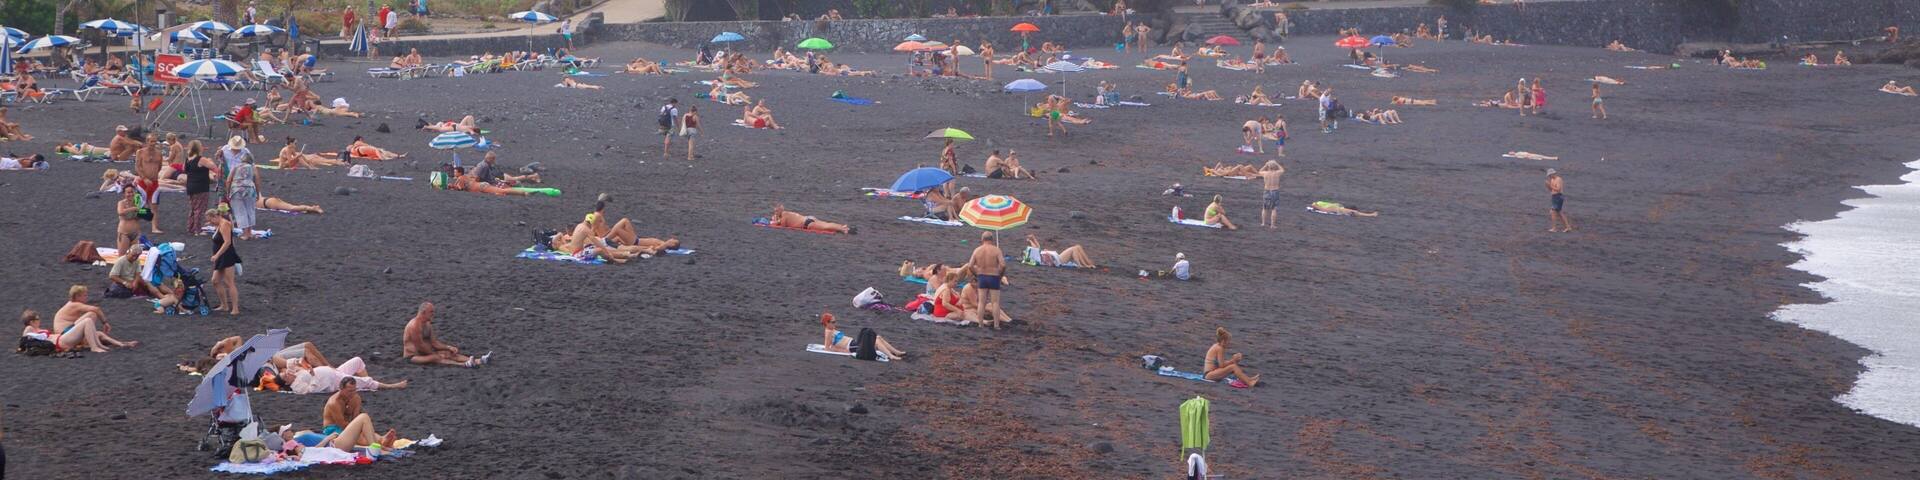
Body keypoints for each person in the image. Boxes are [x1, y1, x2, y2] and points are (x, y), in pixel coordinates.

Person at [321, 379, 401, 452]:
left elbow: (355, 418)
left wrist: (362, 430)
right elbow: (342, 425)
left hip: (348, 425)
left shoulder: (356, 398)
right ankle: (379, 445)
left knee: (365, 430)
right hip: (333, 429)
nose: (352, 393)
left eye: (354, 390)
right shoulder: (334, 403)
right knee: (361, 431)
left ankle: (381, 440)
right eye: (349, 391)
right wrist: (360, 430)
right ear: (341, 389)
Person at [403, 301, 487, 366]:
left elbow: (434, 342)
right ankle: (463, 364)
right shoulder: (414, 326)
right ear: (423, 312)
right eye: (431, 312)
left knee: (448, 352)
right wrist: (435, 353)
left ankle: (478, 360)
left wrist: (448, 347)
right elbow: (420, 347)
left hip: (424, 353)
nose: (433, 314)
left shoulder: (427, 324)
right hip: (413, 357)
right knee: (436, 357)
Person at [960, 231, 1012, 329]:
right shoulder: (996, 250)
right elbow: (1003, 265)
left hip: (982, 277)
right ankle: (996, 325)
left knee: (981, 302)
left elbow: (970, 265)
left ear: (982, 239)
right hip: (993, 276)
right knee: (995, 302)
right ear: (992, 240)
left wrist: (976, 274)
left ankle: (980, 324)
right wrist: (1000, 274)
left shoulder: (977, 250)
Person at [227, 151, 261, 239]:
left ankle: (245, 233)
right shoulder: (253, 167)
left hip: (236, 189)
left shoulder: (235, 166)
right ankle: (249, 232)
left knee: (240, 211)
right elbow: (257, 180)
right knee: (250, 210)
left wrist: (228, 192)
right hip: (250, 189)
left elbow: (229, 180)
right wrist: (258, 192)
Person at [769, 203, 854, 234]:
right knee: (826, 224)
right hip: (808, 218)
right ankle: (843, 226)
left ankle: (844, 229)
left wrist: (774, 221)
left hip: (806, 223)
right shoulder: (787, 213)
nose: (775, 213)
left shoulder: (784, 215)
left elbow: (782, 226)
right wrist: (776, 219)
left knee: (825, 227)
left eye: (776, 211)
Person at [1023, 234, 1096, 268]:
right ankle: (1082, 265)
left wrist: (1034, 238)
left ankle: (1087, 263)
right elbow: (1035, 248)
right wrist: (1030, 241)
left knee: (1078, 246)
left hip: (1057, 256)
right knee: (1074, 249)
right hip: (1058, 260)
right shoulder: (1032, 254)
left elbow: (1038, 247)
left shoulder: (1035, 254)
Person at [276, 137, 347, 169]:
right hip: (283, 166)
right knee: (299, 156)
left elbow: (296, 156)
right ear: (291, 143)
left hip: (288, 164)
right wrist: (298, 156)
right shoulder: (287, 149)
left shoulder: (292, 148)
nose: (296, 145)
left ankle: (310, 166)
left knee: (300, 156)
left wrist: (306, 161)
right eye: (295, 143)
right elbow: (290, 160)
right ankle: (309, 167)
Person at [1257, 160, 1285, 229]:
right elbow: (1282, 170)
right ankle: (1272, 225)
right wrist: (1277, 163)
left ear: (1268, 167)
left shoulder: (1265, 173)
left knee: (1264, 208)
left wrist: (1265, 165)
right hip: (1275, 191)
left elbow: (1259, 171)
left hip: (1267, 191)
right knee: (1274, 209)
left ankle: (1263, 223)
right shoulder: (1277, 173)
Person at [114, 189, 142, 254]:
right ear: (124, 194)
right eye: (128, 192)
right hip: (124, 233)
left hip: (136, 233)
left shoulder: (137, 202)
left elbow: (141, 215)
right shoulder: (121, 203)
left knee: (135, 255)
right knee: (122, 255)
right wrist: (133, 208)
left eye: (132, 192)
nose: (131, 194)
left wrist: (141, 211)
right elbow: (120, 212)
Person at [1547, 169, 1574, 233]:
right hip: (1554, 197)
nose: (1549, 177)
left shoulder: (1558, 179)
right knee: (1559, 213)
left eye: (1550, 175)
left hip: (1558, 197)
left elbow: (1558, 189)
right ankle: (1568, 227)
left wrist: (1550, 185)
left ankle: (1554, 228)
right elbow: (1551, 190)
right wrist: (1547, 186)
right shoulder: (1552, 179)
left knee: (1553, 212)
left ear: (1553, 173)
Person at [1310, 200, 1378, 216]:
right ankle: (1371, 214)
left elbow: (1314, 204)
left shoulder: (1339, 207)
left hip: (1333, 207)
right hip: (1334, 208)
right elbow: (1314, 205)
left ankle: (1371, 214)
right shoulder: (1339, 208)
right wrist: (1371, 214)